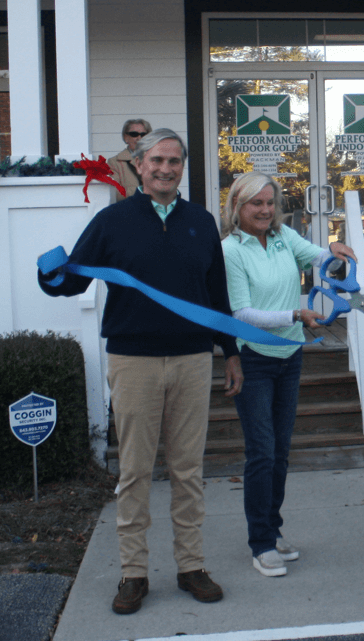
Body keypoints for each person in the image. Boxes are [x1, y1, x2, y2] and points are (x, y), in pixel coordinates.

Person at [39, 129, 241, 615]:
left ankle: (191, 565)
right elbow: (75, 278)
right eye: (156, 160)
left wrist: (229, 351)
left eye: (174, 161)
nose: (166, 169)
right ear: (138, 163)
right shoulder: (112, 221)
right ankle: (133, 573)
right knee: (134, 472)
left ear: (182, 167)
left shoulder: (201, 221)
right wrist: (51, 277)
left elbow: (217, 295)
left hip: (194, 359)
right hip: (133, 362)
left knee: (188, 471)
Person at [220, 172, 354, 577]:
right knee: (261, 452)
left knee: (279, 450)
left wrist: (334, 251)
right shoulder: (229, 251)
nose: (264, 210)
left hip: (290, 355)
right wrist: (295, 314)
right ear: (237, 208)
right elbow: (241, 313)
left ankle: (272, 529)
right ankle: (260, 543)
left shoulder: (281, 237)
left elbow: (319, 259)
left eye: (269, 203)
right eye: (255, 203)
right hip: (255, 359)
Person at [106, 118, 152, 202]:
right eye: (134, 134)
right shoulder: (115, 163)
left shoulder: (157, 160)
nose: (139, 138)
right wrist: (144, 191)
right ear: (126, 137)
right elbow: (115, 193)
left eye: (143, 134)